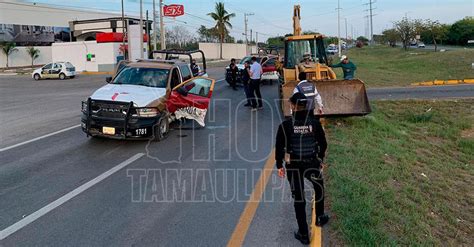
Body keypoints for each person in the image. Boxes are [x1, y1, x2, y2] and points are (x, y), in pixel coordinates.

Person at [275, 92, 329, 245]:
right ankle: (320, 217)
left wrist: (279, 165)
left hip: (293, 166)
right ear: (306, 106)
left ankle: (303, 233)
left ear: (292, 106)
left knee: (299, 198)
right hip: (312, 162)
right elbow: (323, 144)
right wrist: (320, 159)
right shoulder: (315, 123)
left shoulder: (285, 126)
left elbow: (279, 147)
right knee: (319, 188)